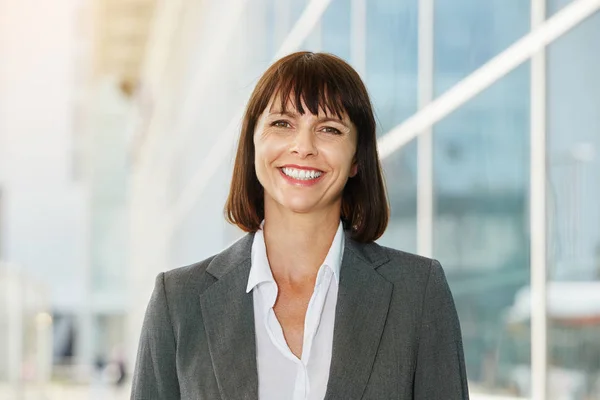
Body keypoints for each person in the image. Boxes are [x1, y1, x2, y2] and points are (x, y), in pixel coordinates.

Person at [131, 51, 469, 400]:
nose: (303, 147)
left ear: (356, 158)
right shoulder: (178, 302)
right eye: (282, 123)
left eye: (329, 129)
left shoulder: (417, 293)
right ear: (253, 142)